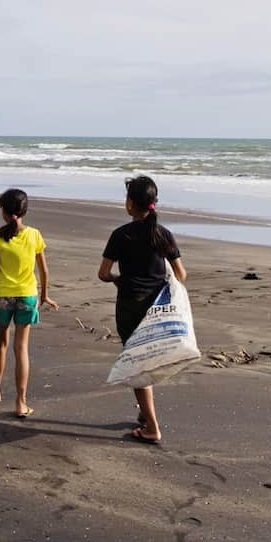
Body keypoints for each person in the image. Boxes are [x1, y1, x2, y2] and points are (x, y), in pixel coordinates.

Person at [97, 175, 186, 444]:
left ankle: (152, 427)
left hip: (130, 306)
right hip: (159, 309)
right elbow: (181, 274)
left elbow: (103, 273)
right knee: (148, 360)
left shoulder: (121, 234)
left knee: (137, 365)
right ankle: (145, 415)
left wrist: (118, 280)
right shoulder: (164, 234)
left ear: (131, 203)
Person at [0, 188, 57, 419]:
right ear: (24, 211)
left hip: (2, 297)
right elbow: (44, 270)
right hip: (27, 296)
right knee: (21, 349)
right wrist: (44, 295)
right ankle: (21, 402)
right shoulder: (34, 235)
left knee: (0, 344)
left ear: (4, 211)